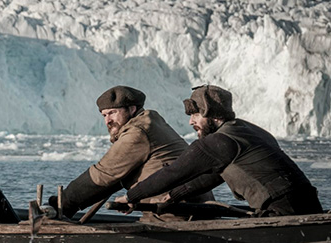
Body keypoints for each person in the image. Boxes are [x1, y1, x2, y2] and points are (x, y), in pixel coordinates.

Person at [122, 85, 323, 217]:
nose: (191, 121)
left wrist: (131, 196)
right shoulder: (250, 130)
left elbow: (173, 172)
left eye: (195, 114)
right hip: (310, 205)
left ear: (211, 114)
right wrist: (174, 195)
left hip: (282, 211)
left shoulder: (218, 141)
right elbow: (215, 176)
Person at [48, 86, 212, 218]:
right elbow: (115, 178)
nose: (108, 121)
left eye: (113, 113)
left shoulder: (138, 132)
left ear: (132, 109)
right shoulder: (151, 122)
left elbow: (103, 174)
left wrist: (61, 205)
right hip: (192, 208)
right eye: (104, 115)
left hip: (175, 214)